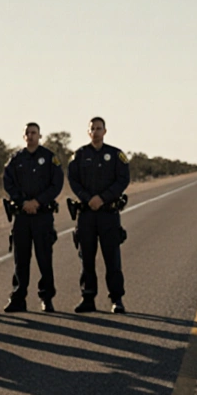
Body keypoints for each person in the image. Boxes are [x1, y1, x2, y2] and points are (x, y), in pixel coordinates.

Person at [67, 117, 130, 314]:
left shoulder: (116, 155)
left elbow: (123, 180)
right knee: (86, 259)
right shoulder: (79, 155)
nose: (95, 131)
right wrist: (88, 199)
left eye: (99, 128)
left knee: (112, 258)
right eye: (92, 129)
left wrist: (102, 198)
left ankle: (116, 299)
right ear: (88, 132)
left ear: (105, 131)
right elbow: (74, 181)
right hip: (86, 214)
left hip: (108, 214)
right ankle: (88, 298)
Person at [2, 122, 64, 313]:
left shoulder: (49, 158)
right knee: (21, 259)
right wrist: (23, 203)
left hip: (42, 215)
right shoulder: (16, 159)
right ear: (24, 136)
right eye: (27, 133)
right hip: (21, 216)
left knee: (44, 258)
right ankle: (18, 298)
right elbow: (8, 184)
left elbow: (56, 184)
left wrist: (37, 202)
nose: (30, 136)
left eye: (34, 133)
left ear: (40, 135)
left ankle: (47, 298)